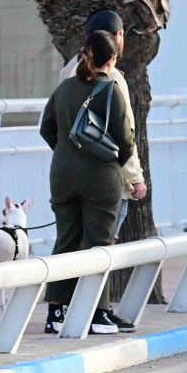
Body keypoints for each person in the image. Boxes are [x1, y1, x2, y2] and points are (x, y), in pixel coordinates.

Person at [39, 31, 135, 335]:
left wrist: (68, 153)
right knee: (100, 243)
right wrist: (110, 164)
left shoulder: (64, 89)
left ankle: (56, 312)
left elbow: (46, 129)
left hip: (63, 174)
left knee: (65, 241)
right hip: (101, 176)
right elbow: (127, 141)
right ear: (112, 58)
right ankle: (98, 312)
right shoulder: (111, 90)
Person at [58, 10, 147, 241]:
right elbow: (123, 134)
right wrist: (135, 178)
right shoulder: (113, 78)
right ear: (118, 36)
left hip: (69, 178)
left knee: (74, 248)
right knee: (101, 253)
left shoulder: (69, 70)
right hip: (106, 180)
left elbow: (51, 126)